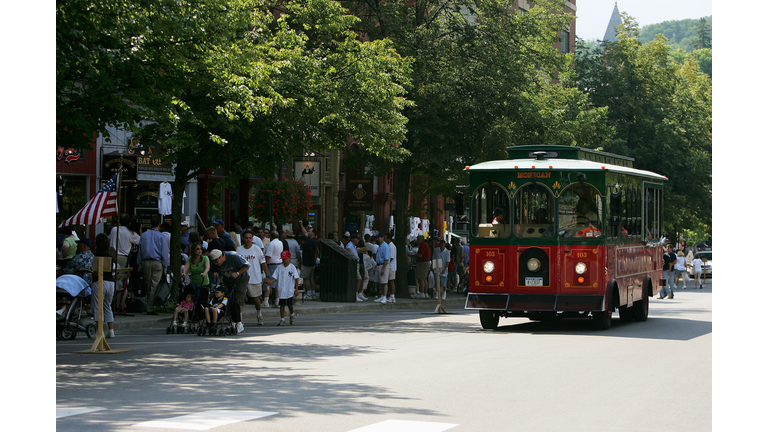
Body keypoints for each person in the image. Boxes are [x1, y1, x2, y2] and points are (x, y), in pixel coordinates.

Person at [209, 248, 250, 334]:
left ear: (222, 257)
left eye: (217, 261)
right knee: (229, 298)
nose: (216, 263)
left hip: (240, 279)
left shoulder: (233, 256)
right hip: (228, 280)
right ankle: (232, 321)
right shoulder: (215, 263)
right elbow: (213, 270)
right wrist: (216, 273)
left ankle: (239, 322)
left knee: (237, 299)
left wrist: (237, 273)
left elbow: (247, 265)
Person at [137, 214, 170, 315]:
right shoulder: (161, 236)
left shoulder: (143, 235)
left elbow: (140, 251)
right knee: (154, 284)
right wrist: (165, 266)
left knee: (148, 284)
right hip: (157, 262)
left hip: (146, 262)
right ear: (159, 225)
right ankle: (151, 307)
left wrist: (139, 264)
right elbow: (164, 253)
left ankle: (150, 305)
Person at [237, 230, 269, 325]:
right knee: (240, 300)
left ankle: (259, 314)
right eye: (246, 238)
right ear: (243, 239)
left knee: (255, 298)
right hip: (242, 279)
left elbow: (263, 263)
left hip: (255, 278)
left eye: (250, 238)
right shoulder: (239, 250)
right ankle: (239, 320)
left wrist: (267, 276)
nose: (248, 240)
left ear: (252, 239)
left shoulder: (257, 249)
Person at [91, 233, 117, 338]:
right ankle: (111, 330)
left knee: (97, 306)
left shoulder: (96, 255)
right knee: (107, 305)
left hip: (98, 282)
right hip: (110, 282)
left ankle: (99, 331)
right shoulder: (110, 255)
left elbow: (95, 271)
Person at [265, 250, 300, 326]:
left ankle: (292, 314)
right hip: (282, 289)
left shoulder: (292, 267)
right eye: (283, 259)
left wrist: (296, 289)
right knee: (282, 305)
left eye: (286, 258)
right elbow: (275, 277)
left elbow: (296, 278)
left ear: (289, 258)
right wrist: (270, 281)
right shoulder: (279, 267)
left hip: (289, 289)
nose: (284, 260)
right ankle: (282, 319)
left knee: (290, 304)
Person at [264, 230, 284, 308]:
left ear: (271, 236)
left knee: (268, 282)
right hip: (279, 264)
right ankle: (277, 300)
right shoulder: (280, 243)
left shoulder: (271, 244)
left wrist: (265, 265)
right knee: (277, 284)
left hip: (271, 265)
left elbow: (268, 256)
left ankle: (266, 301)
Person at [300, 229, 319, 300]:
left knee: (306, 278)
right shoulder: (315, 241)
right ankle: (313, 293)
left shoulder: (309, 241)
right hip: (312, 261)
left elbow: (302, 247)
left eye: (310, 231)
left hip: (307, 262)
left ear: (313, 233)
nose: (308, 232)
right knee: (311, 278)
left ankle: (308, 293)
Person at [374, 234, 390, 304]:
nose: (377, 239)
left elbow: (386, 258)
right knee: (380, 282)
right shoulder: (379, 246)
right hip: (378, 264)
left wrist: (384, 268)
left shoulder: (385, 246)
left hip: (383, 265)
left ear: (382, 238)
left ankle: (385, 296)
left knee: (384, 282)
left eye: (378, 238)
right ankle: (382, 295)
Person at [384, 233, 397, 303]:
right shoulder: (388, 246)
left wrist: (386, 263)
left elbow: (391, 257)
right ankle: (390, 295)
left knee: (391, 281)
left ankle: (392, 296)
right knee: (389, 281)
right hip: (389, 266)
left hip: (391, 266)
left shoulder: (392, 247)